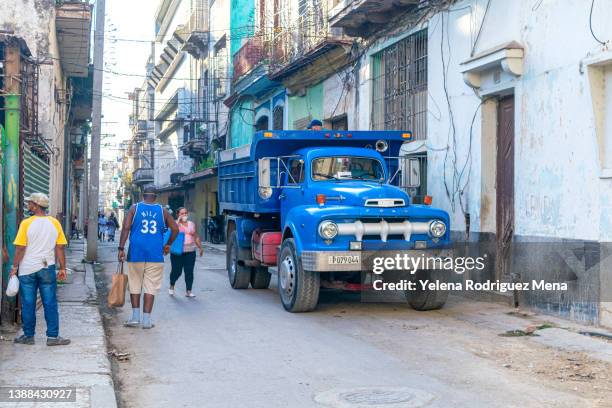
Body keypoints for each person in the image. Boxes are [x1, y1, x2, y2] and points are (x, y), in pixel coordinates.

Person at [11, 193, 70, 346]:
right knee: (50, 302)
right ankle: (52, 337)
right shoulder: (55, 223)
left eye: (30, 203)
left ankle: (28, 336)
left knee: (28, 303)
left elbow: (20, 248)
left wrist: (14, 266)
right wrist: (62, 268)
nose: (28, 205)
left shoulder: (26, 223)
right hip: (46, 268)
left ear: (36, 206)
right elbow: (60, 248)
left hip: (27, 270)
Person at [118, 185, 178, 329]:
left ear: (143, 195)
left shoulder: (134, 208)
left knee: (135, 284)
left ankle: (135, 317)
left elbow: (126, 228)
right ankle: (146, 321)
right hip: (155, 254)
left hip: (136, 252)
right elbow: (175, 229)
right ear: (155, 197)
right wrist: (168, 244)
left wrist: (121, 248)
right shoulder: (162, 211)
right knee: (150, 287)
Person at [169, 208, 203, 297]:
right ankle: (172, 285)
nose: (184, 215)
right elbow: (172, 231)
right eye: (182, 213)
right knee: (177, 271)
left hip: (190, 251)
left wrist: (200, 247)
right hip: (177, 252)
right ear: (178, 214)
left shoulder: (191, 224)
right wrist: (178, 221)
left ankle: (189, 291)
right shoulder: (175, 224)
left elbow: (195, 235)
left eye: (185, 213)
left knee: (189, 271)